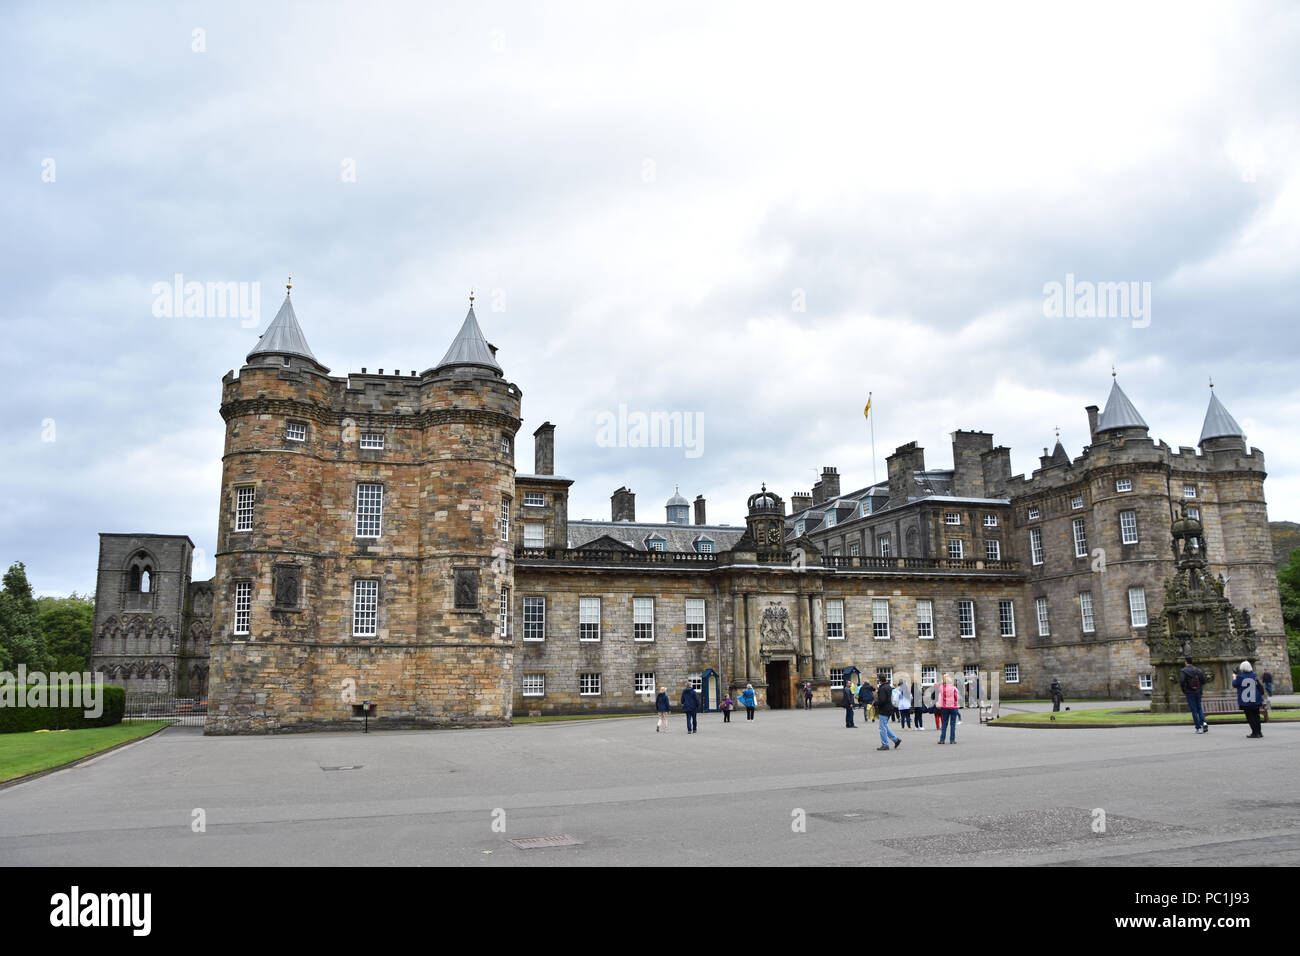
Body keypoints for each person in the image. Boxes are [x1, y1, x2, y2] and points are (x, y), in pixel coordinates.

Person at [1233, 661, 1264, 739]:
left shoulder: (1240, 677)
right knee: (1256, 716)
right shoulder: (1253, 675)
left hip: (1246, 699)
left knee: (1250, 717)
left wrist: (1234, 677)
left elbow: (1235, 684)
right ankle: (1259, 732)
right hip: (1255, 698)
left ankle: (1254, 732)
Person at [1180, 656, 1209, 734]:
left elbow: (1182, 682)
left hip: (1189, 692)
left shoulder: (1183, 671)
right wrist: (1199, 688)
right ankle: (1204, 722)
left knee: (1194, 710)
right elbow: (1203, 681)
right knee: (1199, 708)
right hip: (1198, 691)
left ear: (1186, 662)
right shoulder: (1198, 670)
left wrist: (1184, 690)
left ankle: (1198, 728)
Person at [875, 676, 901, 751]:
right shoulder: (888, 686)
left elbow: (882, 700)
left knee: (882, 727)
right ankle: (896, 740)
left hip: (884, 709)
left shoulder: (882, 688)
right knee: (884, 726)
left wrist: (876, 703)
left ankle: (885, 744)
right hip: (889, 708)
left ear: (880, 680)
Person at [937, 674, 960, 744]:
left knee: (944, 724)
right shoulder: (953, 688)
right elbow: (957, 697)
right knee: (952, 724)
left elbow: (940, 696)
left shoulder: (941, 688)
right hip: (953, 707)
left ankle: (942, 739)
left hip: (945, 707)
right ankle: (952, 740)